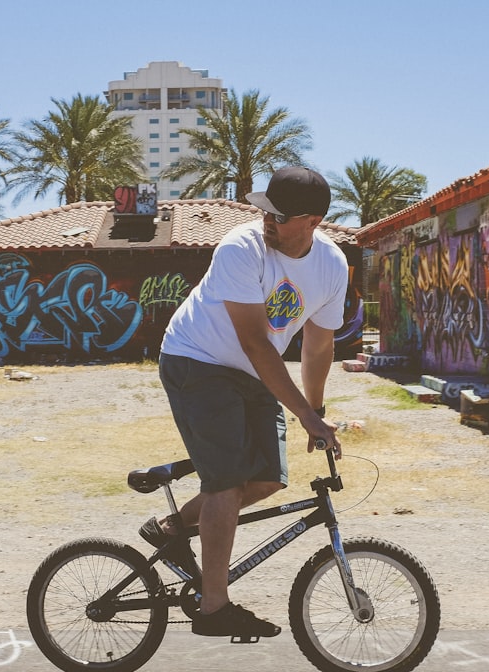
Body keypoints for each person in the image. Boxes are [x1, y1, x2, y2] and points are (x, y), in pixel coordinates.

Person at [141, 166, 346, 638]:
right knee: (228, 482)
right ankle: (213, 608)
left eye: (279, 214)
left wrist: (315, 411)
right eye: (264, 209)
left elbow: (318, 345)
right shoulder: (241, 247)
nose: (267, 219)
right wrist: (304, 414)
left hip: (253, 373)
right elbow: (256, 342)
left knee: (269, 478)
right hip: (198, 361)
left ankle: (171, 528)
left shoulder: (332, 266)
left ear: (312, 221)